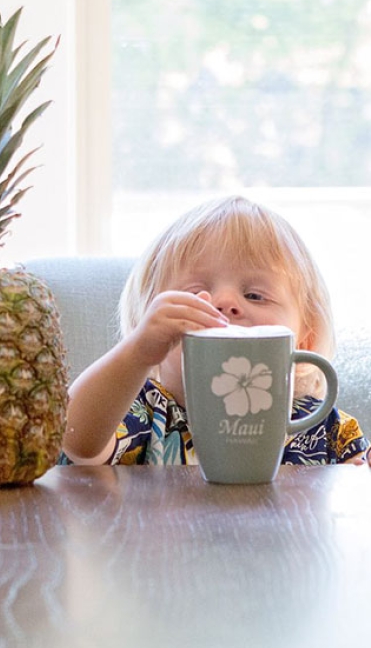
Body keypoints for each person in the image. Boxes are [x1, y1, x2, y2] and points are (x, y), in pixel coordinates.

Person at [63, 195, 370, 466]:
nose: (224, 303)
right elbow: (75, 440)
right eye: (196, 294)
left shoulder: (323, 426)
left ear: (305, 341)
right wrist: (136, 353)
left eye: (255, 295)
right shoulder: (144, 411)